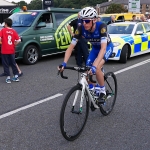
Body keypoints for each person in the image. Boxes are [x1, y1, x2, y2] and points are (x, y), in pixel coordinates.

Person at [58, 7, 113, 104]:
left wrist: (95, 66)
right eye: (83, 21)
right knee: (87, 69)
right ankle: (92, 89)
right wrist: (64, 63)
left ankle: (102, 92)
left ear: (94, 20)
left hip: (106, 48)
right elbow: (70, 48)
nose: (84, 23)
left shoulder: (102, 27)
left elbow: (103, 48)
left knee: (97, 67)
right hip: (95, 49)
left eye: (87, 21)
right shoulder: (80, 28)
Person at [0, 18, 21, 83]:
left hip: (5, 50)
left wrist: (2, 42)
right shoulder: (13, 31)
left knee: (5, 64)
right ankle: (16, 76)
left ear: (6, 24)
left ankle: (8, 78)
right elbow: (19, 40)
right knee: (13, 63)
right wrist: (14, 44)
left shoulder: (3, 30)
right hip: (12, 50)